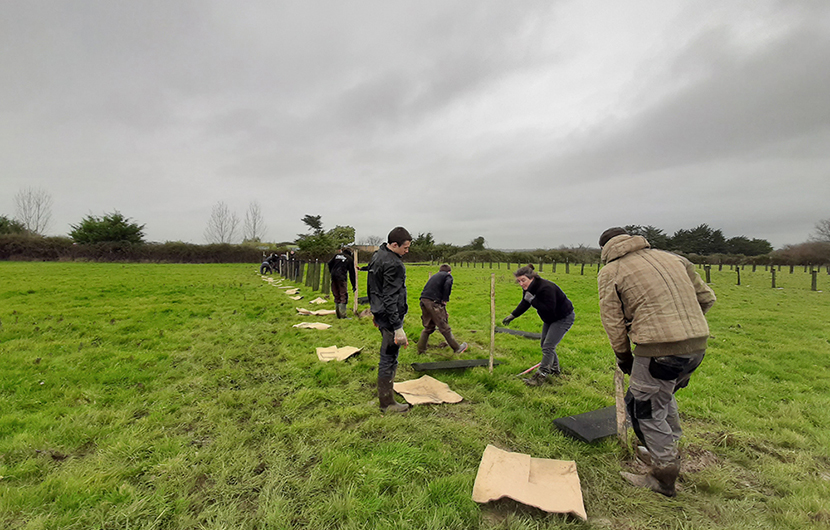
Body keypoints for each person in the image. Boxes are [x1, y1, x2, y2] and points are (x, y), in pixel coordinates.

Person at [597, 227, 716, 497]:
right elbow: (706, 298)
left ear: (605, 248)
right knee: (661, 396)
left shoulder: (611, 272)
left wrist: (624, 357)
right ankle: (667, 451)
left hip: (657, 351)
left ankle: (663, 476)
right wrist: (688, 328)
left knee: (643, 409)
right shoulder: (674, 259)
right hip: (697, 347)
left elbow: (613, 321)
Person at [502, 264, 575, 386]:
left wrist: (533, 300)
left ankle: (541, 375)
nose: (521, 284)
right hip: (550, 318)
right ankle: (554, 369)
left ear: (532, 278)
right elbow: (525, 302)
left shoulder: (546, 288)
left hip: (563, 317)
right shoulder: (528, 288)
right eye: (519, 281)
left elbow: (548, 308)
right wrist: (513, 315)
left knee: (548, 346)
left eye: (523, 280)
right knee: (545, 344)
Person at [366, 227, 412, 413]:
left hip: (380, 313)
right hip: (389, 316)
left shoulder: (378, 255)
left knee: (388, 356)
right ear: (394, 245)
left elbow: (373, 286)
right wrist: (397, 326)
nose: (407, 251)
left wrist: (375, 312)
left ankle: (384, 395)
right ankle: (387, 402)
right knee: (389, 357)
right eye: (405, 248)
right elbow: (390, 297)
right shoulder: (394, 264)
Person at [416, 264, 468, 355]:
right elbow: (448, 284)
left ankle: (421, 349)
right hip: (433, 302)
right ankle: (457, 348)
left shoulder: (436, 276)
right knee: (444, 326)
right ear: (449, 271)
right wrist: (445, 299)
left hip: (424, 301)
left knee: (429, 327)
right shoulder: (448, 276)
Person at [328, 248, 356, 319]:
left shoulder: (336, 255)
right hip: (341, 277)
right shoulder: (349, 259)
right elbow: (352, 273)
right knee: (343, 295)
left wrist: (332, 272)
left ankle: (338, 314)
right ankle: (343, 315)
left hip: (334, 277)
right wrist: (354, 285)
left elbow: (329, 263)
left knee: (336, 295)